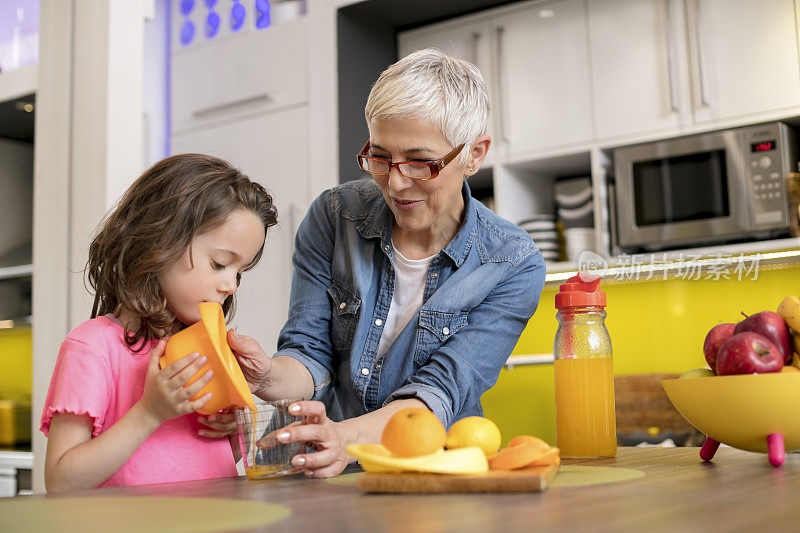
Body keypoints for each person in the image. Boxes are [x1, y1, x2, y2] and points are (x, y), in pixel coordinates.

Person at [228, 48, 546, 477]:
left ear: (474, 154)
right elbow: (309, 354)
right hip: (327, 470)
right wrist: (265, 376)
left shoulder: (512, 263)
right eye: (380, 156)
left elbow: (437, 394)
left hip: (432, 475)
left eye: (419, 162)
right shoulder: (334, 216)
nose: (395, 182)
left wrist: (342, 437)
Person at [40, 154, 278, 491]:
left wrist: (233, 431)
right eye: (219, 264)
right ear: (159, 242)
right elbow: (61, 482)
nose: (231, 285)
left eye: (240, 272)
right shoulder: (93, 347)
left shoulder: (207, 354)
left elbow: (211, 464)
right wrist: (150, 413)